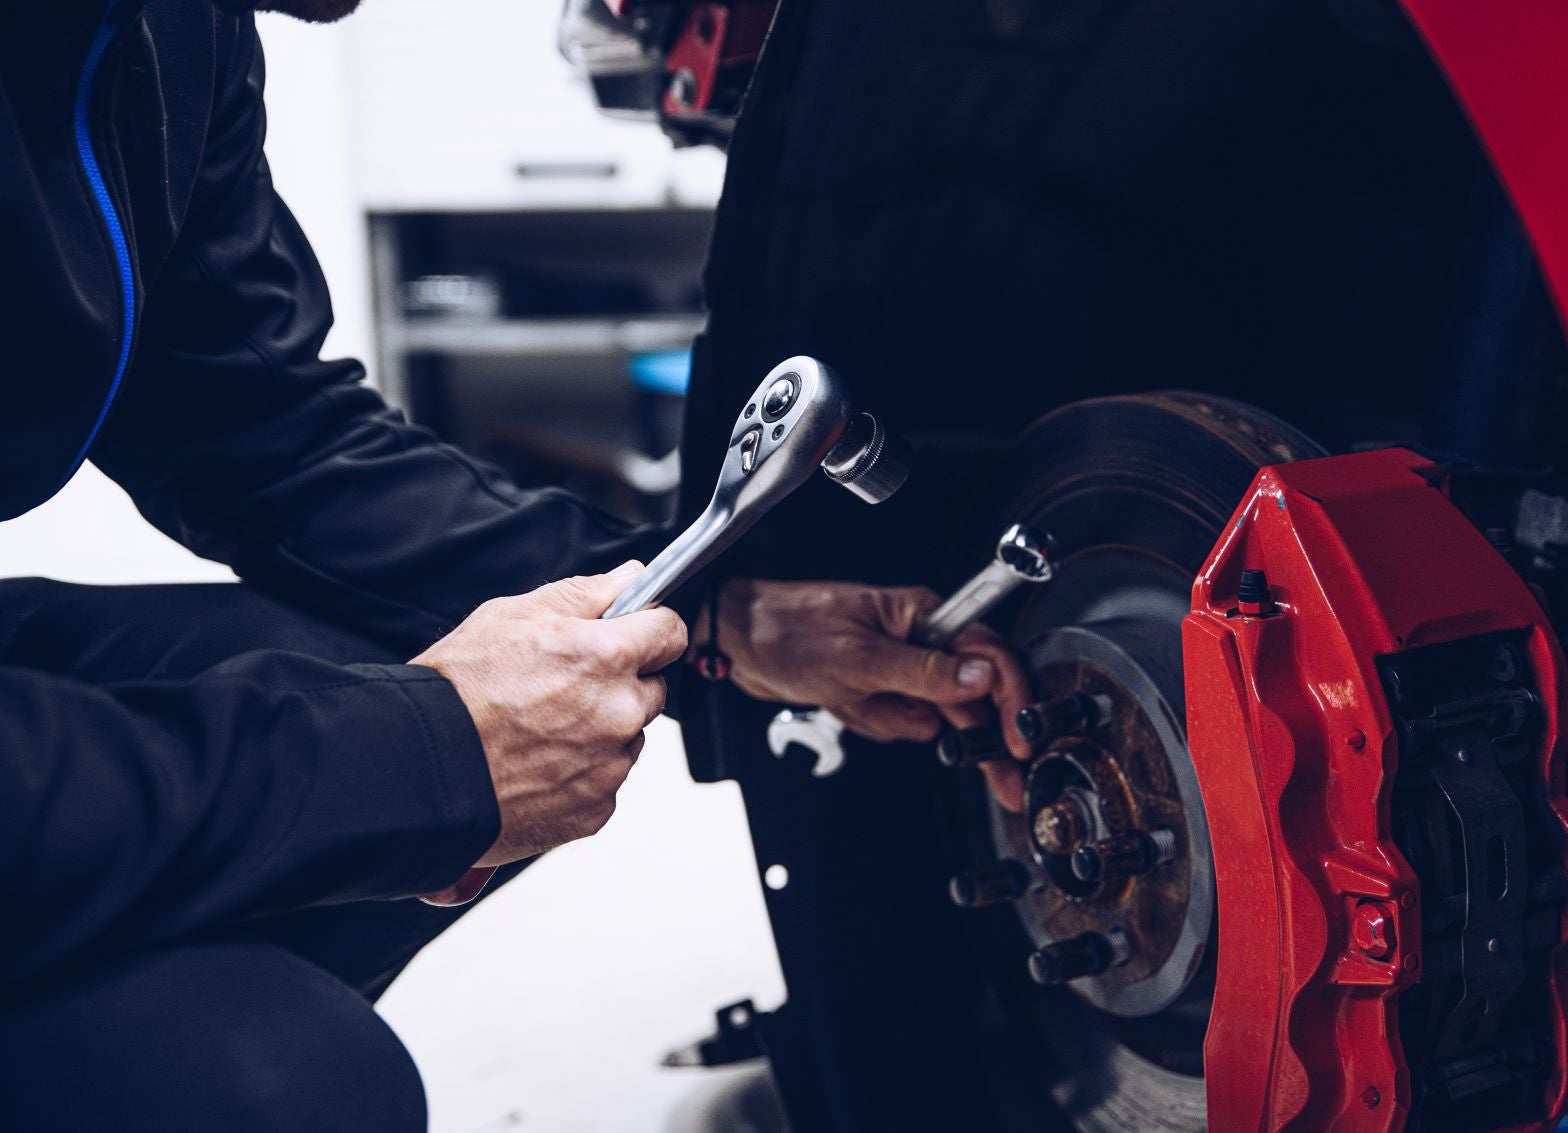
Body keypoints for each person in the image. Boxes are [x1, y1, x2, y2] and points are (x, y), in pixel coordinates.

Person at [0, 1, 1029, 1128]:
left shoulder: (171, 35)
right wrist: (426, 754)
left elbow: (264, 431)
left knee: (442, 696)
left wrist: (711, 617)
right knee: (286, 1083)